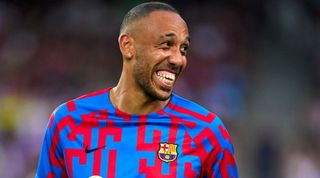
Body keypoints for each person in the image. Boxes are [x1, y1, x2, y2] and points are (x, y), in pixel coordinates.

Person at [35, 2, 238, 178]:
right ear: (127, 45)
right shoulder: (69, 122)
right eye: (166, 45)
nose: (178, 59)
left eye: (183, 48)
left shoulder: (205, 131)